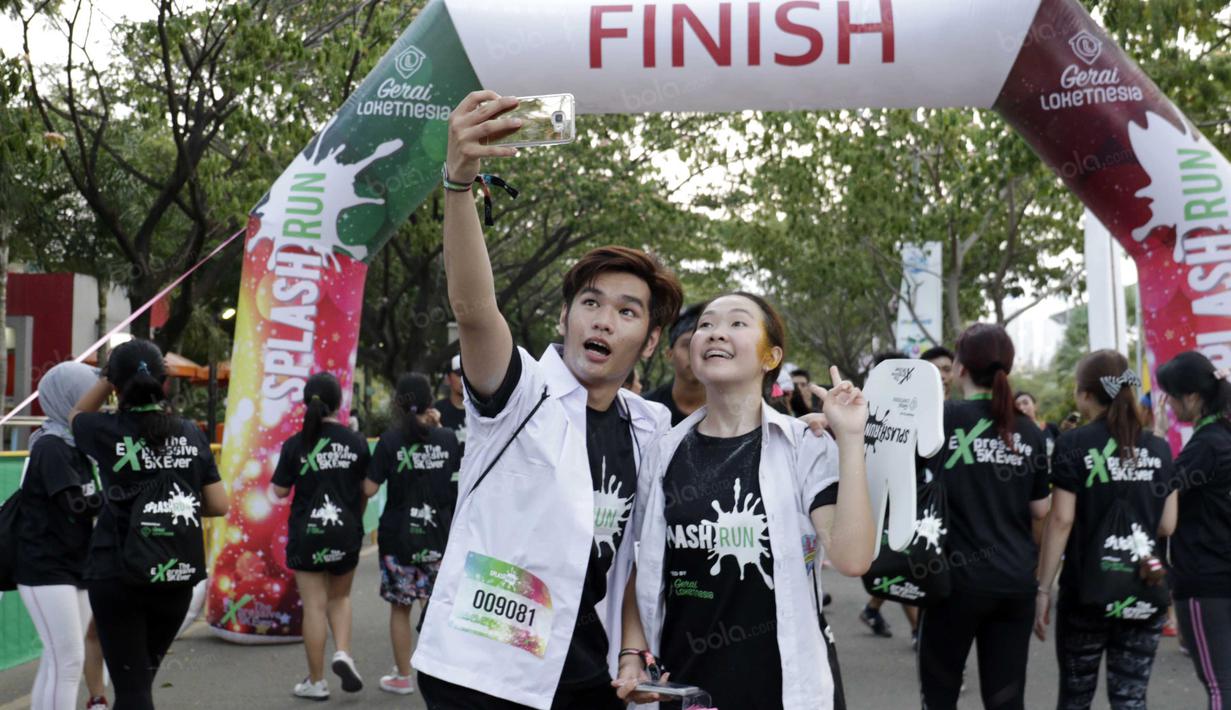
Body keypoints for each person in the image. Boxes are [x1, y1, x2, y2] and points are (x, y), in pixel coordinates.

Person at [411, 90, 685, 710]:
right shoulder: (521, 392)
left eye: (627, 311)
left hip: (584, 666)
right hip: (480, 671)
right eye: (591, 302)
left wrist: (632, 650)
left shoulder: (651, 427)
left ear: (649, 341)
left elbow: (642, 551)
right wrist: (458, 184)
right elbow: (475, 311)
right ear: (564, 317)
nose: (605, 320)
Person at [615, 292, 874, 710]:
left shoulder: (801, 447)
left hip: (785, 689)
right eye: (705, 325)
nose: (716, 332)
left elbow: (852, 558)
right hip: (686, 689)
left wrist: (851, 438)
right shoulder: (662, 454)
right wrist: (632, 656)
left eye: (737, 323)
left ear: (770, 357)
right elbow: (641, 567)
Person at [68, 339, 229, 710]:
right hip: (175, 574)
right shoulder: (190, 432)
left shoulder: (104, 430)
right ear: (164, 383)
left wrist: (107, 378)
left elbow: (74, 414)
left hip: (117, 571)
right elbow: (219, 504)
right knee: (140, 682)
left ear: (116, 385)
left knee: (132, 689)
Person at [916, 323, 1051, 710]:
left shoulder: (941, 419)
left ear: (959, 368)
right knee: (1006, 700)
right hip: (1014, 584)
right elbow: (1041, 511)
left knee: (940, 694)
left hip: (951, 586)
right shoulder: (1030, 431)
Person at [1034, 350, 1177, 709]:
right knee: (1130, 698)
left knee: (1075, 697)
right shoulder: (1158, 448)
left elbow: (1061, 520)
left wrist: (1042, 589)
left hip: (1086, 592)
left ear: (1084, 394)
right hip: (1143, 588)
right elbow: (1166, 524)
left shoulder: (1073, 444)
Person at [271, 372, 370, 700]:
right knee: (339, 599)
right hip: (346, 532)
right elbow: (364, 489)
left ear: (306, 404)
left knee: (313, 606)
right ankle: (343, 652)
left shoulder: (295, 444)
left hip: (307, 533)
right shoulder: (356, 442)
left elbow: (280, 491)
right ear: (339, 404)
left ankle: (316, 682)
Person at [364, 373, 461, 696]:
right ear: (431, 401)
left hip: (398, 538)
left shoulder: (390, 440)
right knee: (437, 606)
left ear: (398, 404)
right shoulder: (447, 438)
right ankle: (444, 675)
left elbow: (369, 487)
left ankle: (404, 676)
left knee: (400, 608)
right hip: (438, 537)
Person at [16, 362, 103, 710]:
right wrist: (121, 494)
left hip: (73, 564)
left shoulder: (76, 444)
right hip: (45, 568)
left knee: (59, 661)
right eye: (90, 394)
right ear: (68, 397)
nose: (97, 402)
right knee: (66, 662)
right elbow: (75, 504)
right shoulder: (51, 446)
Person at [1156, 351, 1231, 709]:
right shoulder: (1223, 437)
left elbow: (1160, 491)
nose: (1168, 404)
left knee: (1221, 688)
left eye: (1170, 395)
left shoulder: (1206, 445)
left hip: (1206, 582)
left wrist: (1155, 444)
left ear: (1193, 398)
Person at [858, 350, 919, 643]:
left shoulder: (915, 406)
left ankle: (873, 608)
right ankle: (920, 631)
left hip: (914, 497)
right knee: (902, 563)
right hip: (878, 500)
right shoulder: (861, 406)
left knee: (900, 563)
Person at [644, 304, 706, 426]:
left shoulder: (736, 414)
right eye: (688, 345)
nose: (696, 353)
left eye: (705, 345)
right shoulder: (644, 410)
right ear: (669, 354)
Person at [434, 355, 468, 447]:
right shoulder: (437, 411)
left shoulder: (482, 409)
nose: (464, 378)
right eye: (459, 373)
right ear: (447, 379)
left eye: (468, 373)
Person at [1015, 391, 1061, 456]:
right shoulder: (1013, 432)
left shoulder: (1051, 428)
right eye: (1017, 405)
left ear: (1035, 406)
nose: (1021, 408)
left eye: (1025, 403)